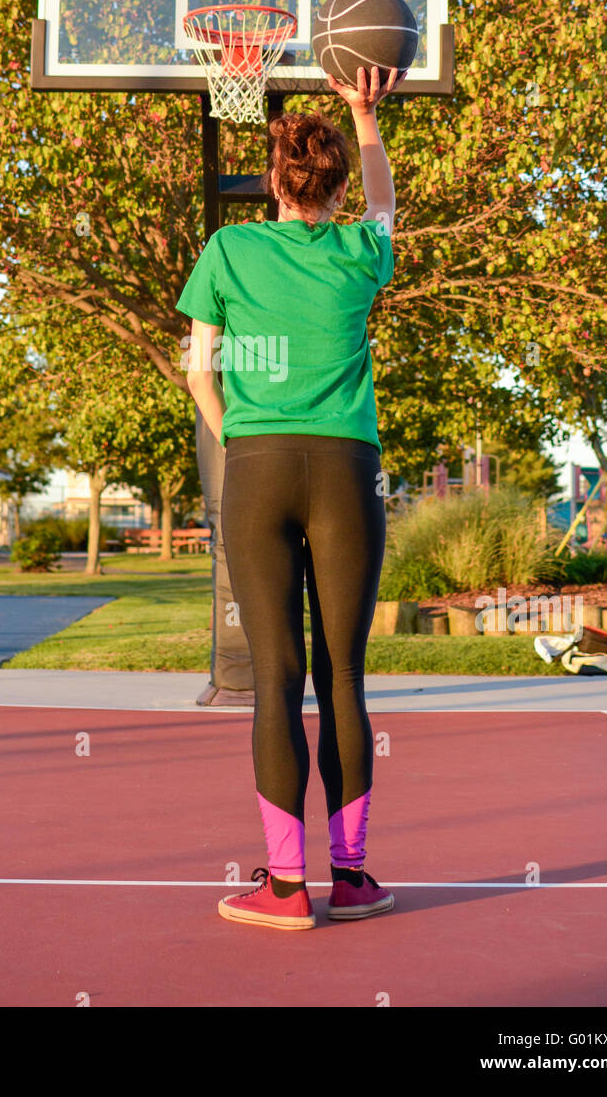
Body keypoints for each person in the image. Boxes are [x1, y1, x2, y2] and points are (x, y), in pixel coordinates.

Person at [177, 64, 402, 930]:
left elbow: (202, 370)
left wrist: (238, 433)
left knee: (274, 680)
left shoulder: (230, 249)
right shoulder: (360, 249)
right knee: (342, 675)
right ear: (338, 186)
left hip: (259, 464)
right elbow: (382, 205)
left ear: (273, 180)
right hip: (347, 468)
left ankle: (283, 889)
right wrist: (365, 115)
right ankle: (350, 880)